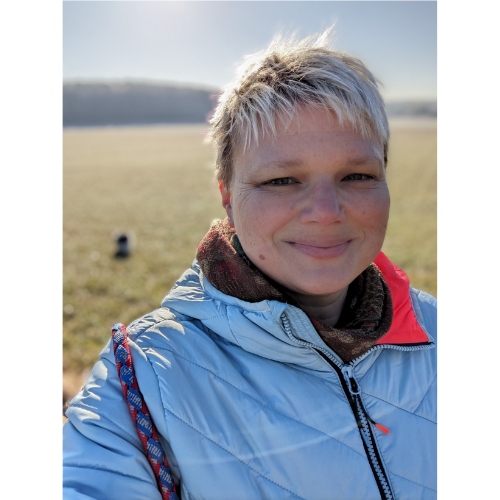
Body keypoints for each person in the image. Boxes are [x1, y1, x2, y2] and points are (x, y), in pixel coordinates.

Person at [63, 29, 436, 500]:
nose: (325, 211)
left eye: (357, 175)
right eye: (282, 180)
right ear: (228, 197)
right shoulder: (142, 381)